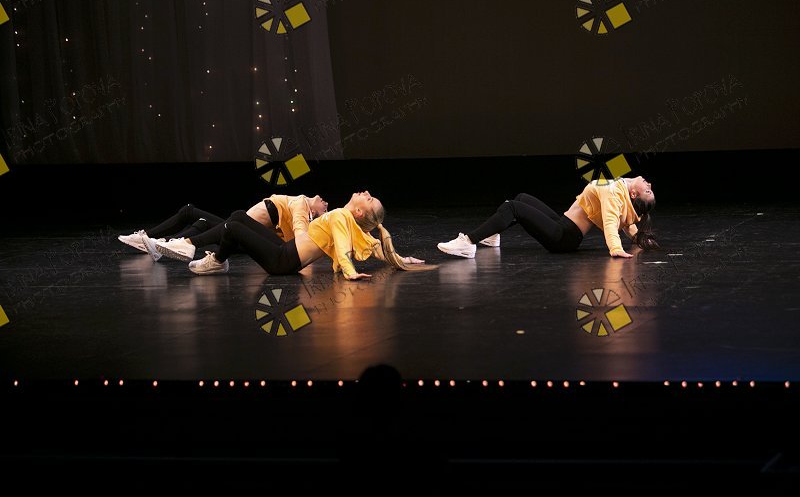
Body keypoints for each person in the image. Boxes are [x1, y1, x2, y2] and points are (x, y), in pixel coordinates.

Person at [188, 191, 435, 277]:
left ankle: (217, 261)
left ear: (360, 211)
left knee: (233, 227)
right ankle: (216, 258)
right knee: (239, 216)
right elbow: (377, 246)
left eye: (369, 199)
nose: (366, 192)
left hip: (283, 261)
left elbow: (343, 247)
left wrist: (350, 272)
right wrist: (401, 259)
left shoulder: (341, 217)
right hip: (285, 251)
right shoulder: (346, 218)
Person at [437, 176, 658, 259]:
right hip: (563, 224)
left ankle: (468, 243)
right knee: (522, 197)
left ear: (634, 194)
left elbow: (611, 222)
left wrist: (615, 248)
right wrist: (638, 237)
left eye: (648, 190)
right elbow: (627, 222)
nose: (648, 184)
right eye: (650, 188)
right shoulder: (622, 189)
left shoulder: (615, 194)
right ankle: (492, 235)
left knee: (513, 207)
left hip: (564, 237)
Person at [117, 194, 328, 262]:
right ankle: (156, 241)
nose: (325, 202)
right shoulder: (299, 202)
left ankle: (157, 242)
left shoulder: (301, 205)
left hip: (238, 230)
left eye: (326, 208)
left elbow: (300, 233)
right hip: (238, 227)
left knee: (192, 212)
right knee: (198, 219)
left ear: (317, 214)